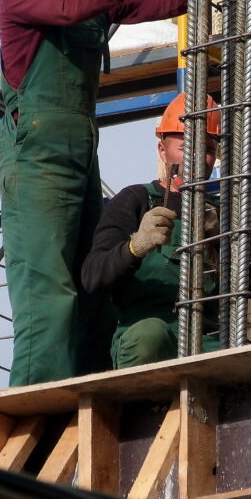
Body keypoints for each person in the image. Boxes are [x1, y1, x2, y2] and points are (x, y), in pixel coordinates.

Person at [0, 0, 190, 386]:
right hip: (36, 157)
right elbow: (68, 8)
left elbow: (156, 0)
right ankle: (36, 414)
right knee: (48, 290)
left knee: (90, 288)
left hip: (78, 155)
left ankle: (91, 402)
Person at [81, 93, 223, 368]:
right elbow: (92, 276)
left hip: (210, 340)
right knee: (151, 336)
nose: (196, 158)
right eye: (185, 147)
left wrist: (228, 246)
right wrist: (135, 247)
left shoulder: (224, 212)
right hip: (149, 333)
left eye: (206, 149)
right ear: (162, 150)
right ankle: (144, 409)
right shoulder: (136, 200)